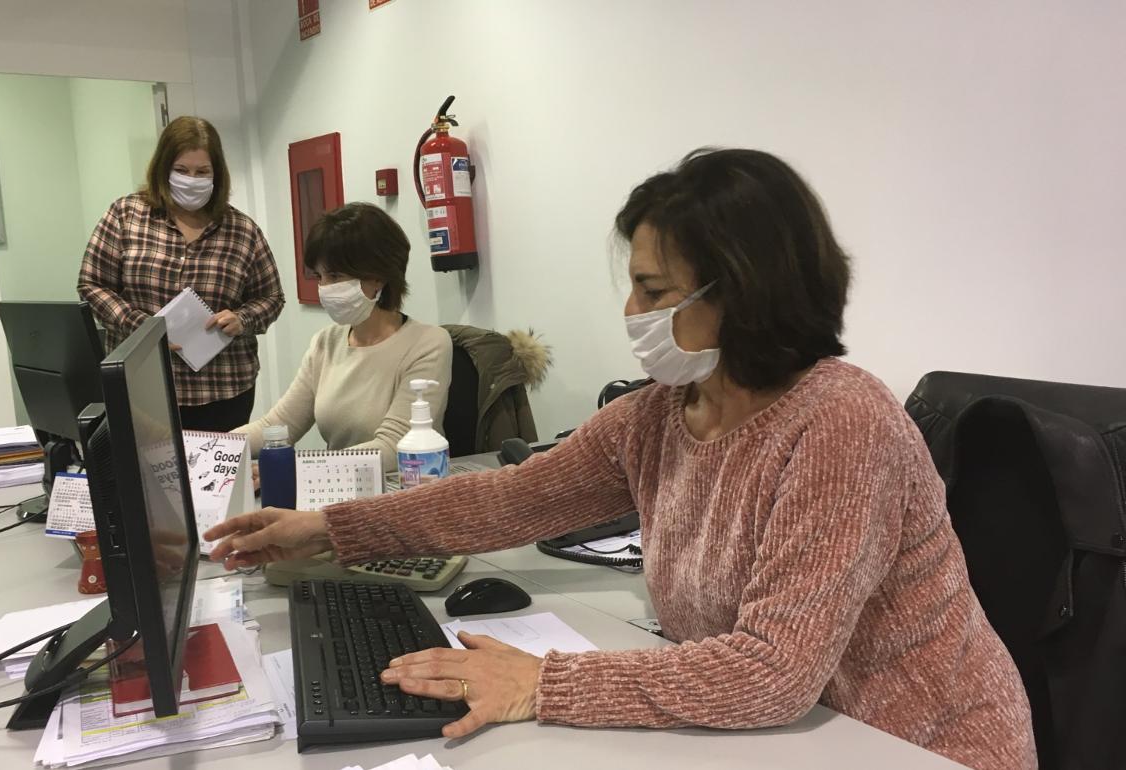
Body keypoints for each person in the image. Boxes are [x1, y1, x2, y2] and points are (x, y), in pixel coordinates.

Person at [204, 149, 1037, 770]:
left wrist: (543, 685)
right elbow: (508, 501)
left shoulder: (841, 423)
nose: (629, 310)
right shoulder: (661, 416)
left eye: (654, 291)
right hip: (781, 737)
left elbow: (773, 671)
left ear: (743, 293)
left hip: (911, 743)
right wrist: (327, 531)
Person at [78, 116, 285, 432]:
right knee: (148, 479)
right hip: (144, 386)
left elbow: (271, 298)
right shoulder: (126, 215)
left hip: (225, 390)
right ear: (164, 169)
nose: (192, 179)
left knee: (220, 480)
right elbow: (92, 284)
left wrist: (243, 319)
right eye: (182, 171)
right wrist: (144, 328)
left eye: (203, 172)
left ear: (217, 174)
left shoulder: (241, 230)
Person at [237, 202, 452, 472]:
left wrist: (296, 468)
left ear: (378, 277)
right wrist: (213, 448)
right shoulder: (326, 343)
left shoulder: (429, 343)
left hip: (398, 493)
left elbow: (393, 446)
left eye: (336, 275)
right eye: (320, 276)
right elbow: (277, 426)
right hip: (334, 489)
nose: (325, 288)